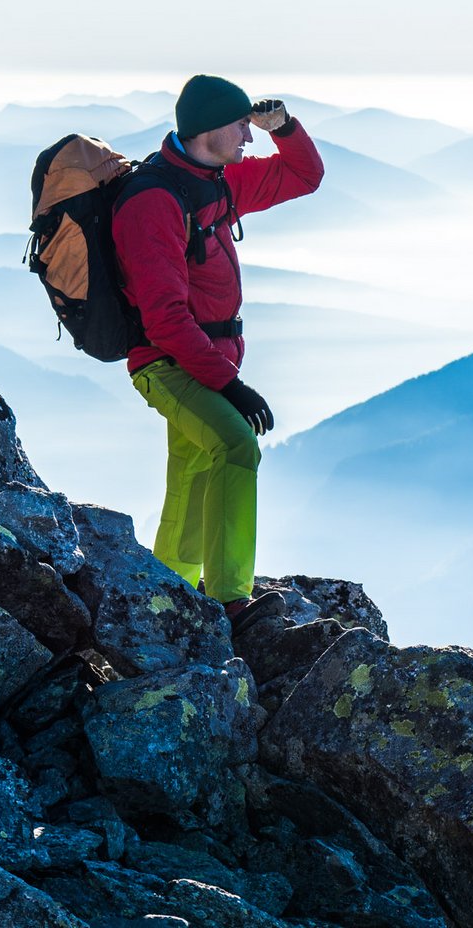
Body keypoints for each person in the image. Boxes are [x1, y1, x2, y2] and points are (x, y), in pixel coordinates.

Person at [112, 74, 324, 620]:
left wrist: (285, 127)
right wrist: (231, 386)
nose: (248, 138)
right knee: (235, 446)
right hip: (168, 361)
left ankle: (166, 598)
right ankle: (231, 599)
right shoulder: (154, 201)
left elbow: (305, 175)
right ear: (209, 129)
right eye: (241, 126)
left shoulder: (217, 181)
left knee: (193, 475)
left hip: (209, 359)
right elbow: (164, 319)